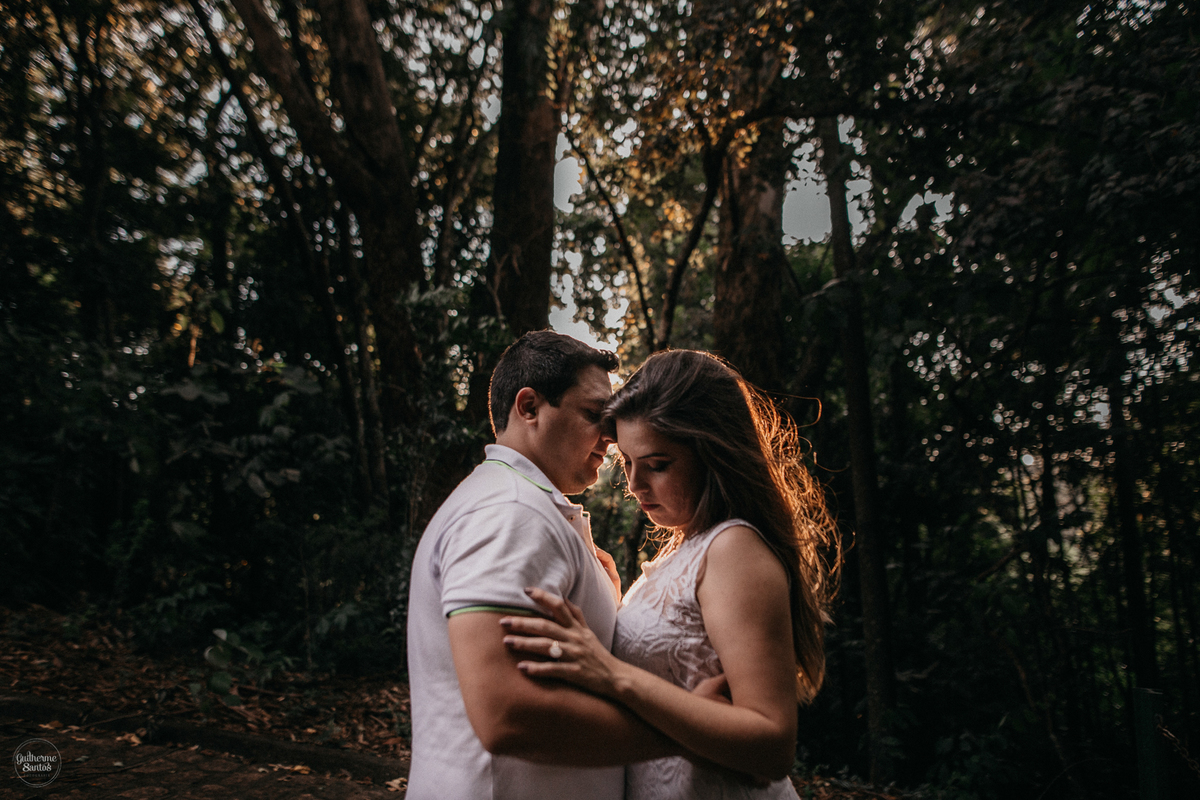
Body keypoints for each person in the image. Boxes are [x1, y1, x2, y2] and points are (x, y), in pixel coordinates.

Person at [500, 349, 840, 799]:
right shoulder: (687, 549)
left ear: (712, 452)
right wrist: (618, 605)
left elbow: (771, 745)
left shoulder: (735, 549)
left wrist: (612, 674)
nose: (637, 486)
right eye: (628, 464)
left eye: (658, 465)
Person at [406, 331, 705, 800]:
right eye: (593, 415)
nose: (611, 436)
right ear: (529, 408)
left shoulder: (519, 506)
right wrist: (686, 730)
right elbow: (505, 714)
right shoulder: (510, 513)